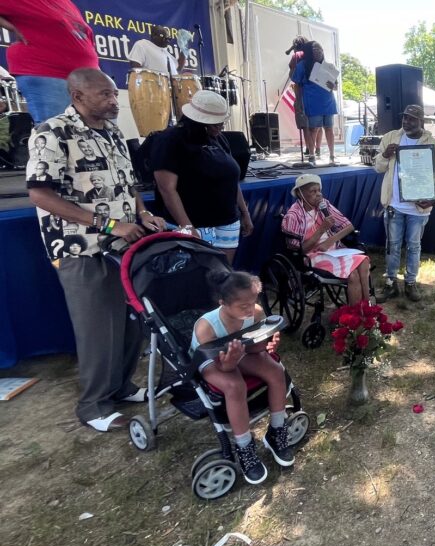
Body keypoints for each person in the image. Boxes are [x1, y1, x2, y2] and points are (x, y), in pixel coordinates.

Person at [26, 68, 164, 432]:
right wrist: (107, 224)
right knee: (97, 328)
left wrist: (144, 212)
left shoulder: (114, 131)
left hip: (125, 244)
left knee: (132, 322)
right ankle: (94, 405)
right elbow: (40, 193)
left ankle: (120, 386)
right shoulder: (51, 132)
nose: (114, 101)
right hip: (83, 248)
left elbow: (127, 184)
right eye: (104, 95)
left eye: (113, 94)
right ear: (77, 96)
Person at [191, 271, 293, 485]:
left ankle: (277, 431)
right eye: (242, 306)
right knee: (234, 386)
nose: (249, 309)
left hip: (241, 351)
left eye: (252, 302)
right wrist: (232, 360)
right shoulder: (206, 327)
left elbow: (257, 344)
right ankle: (245, 447)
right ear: (223, 303)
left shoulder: (255, 312)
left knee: (275, 371)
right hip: (211, 360)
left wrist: (269, 343)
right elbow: (223, 366)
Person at [150, 90, 254, 263]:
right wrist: (187, 227)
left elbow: (231, 180)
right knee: (197, 277)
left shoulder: (217, 138)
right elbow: (167, 190)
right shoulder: (169, 140)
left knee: (223, 276)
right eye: (215, 124)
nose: (220, 127)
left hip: (228, 220)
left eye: (222, 122)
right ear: (197, 121)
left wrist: (245, 212)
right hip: (195, 222)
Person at [372, 104, 435, 303]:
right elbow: (377, 167)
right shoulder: (390, 138)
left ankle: (410, 282)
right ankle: (390, 283)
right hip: (394, 205)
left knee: (414, 246)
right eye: (404, 118)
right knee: (393, 246)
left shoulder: (433, 143)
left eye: (411, 118)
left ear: (420, 120)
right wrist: (385, 155)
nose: (406, 121)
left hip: (419, 208)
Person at [0, 1, 99, 124]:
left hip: (90, 78)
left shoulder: (65, 3)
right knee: (60, 133)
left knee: (102, 137)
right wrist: (12, 27)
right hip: (49, 71)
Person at [282, 174, 372, 304]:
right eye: (313, 191)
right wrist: (321, 230)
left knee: (363, 262)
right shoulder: (293, 215)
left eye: (319, 190)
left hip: (334, 250)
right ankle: (356, 315)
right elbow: (299, 251)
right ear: (300, 193)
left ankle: (367, 306)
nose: (318, 195)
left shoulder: (324, 205)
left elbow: (349, 226)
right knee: (353, 275)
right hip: (313, 256)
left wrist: (330, 240)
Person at [291, 41, 338, 164]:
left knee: (329, 128)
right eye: (315, 49)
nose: (318, 51)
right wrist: (298, 101)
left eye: (320, 49)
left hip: (328, 102)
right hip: (312, 102)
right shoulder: (302, 66)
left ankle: (332, 156)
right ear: (309, 53)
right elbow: (296, 84)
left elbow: (336, 87)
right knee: (312, 129)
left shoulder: (329, 66)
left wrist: (333, 86)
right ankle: (312, 155)